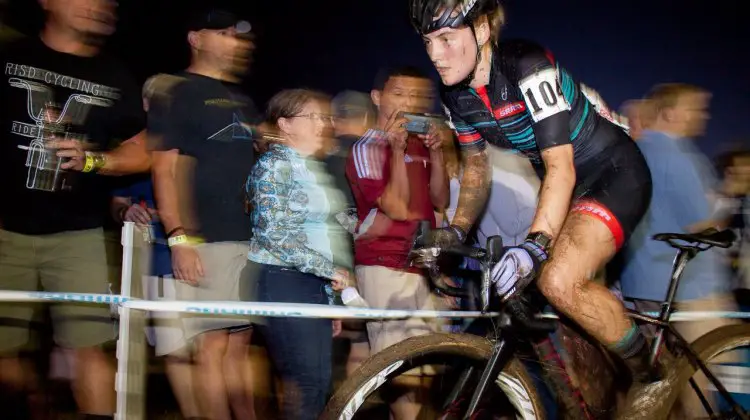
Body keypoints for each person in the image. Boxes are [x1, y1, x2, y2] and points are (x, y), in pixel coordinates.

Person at [408, 0, 655, 383]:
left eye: (446, 38)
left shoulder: (527, 66)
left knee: (556, 279)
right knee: (565, 338)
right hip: (566, 188)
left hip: (613, 173)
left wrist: (535, 246)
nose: (435, 56)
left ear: (483, 30)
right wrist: (454, 231)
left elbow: (560, 165)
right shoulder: (455, 94)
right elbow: (475, 167)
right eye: (427, 41)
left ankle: (651, 376)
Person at [0, 0, 150, 417]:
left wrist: (97, 160)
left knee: (89, 347)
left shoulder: (114, 75)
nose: (99, 6)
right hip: (4, 229)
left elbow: (144, 151)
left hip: (77, 234)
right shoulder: (12, 57)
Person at [150, 9, 261, 420]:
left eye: (239, 35)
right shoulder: (177, 91)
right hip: (206, 239)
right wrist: (181, 238)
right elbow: (165, 166)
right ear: (196, 38)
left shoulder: (244, 100)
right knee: (211, 346)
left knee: (240, 345)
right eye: (226, 33)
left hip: (248, 239)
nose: (236, 42)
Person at [346, 66, 449, 419]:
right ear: (378, 98)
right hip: (384, 265)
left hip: (422, 267)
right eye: (399, 94)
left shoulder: (419, 143)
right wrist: (396, 149)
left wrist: (436, 154)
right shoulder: (368, 147)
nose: (409, 103)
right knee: (399, 367)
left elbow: (440, 199)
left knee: (424, 370)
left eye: (416, 96)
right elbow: (397, 206)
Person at [245, 89, 351, 420]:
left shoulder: (312, 167)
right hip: (282, 280)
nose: (324, 124)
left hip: (311, 284)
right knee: (305, 383)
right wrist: (330, 272)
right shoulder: (274, 166)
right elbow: (273, 234)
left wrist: (329, 299)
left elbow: (324, 235)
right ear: (285, 124)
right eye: (314, 117)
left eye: (325, 117)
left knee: (318, 383)